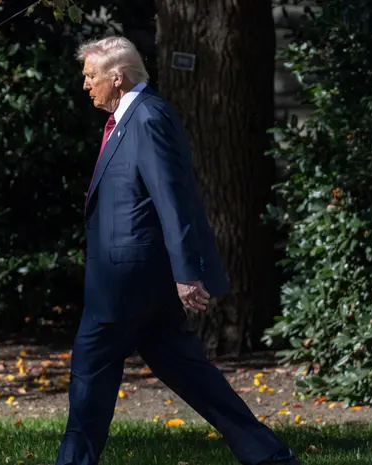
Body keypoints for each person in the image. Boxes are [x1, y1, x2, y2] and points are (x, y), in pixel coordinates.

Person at [52, 36, 301, 465]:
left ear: (117, 77)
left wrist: (186, 273)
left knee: (88, 380)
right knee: (195, 378)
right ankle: (271, 457)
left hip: (125, 284)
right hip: (141, 282)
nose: (85, 85)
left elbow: (173, 197)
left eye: (90, 76)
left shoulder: (147, 117)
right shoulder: (131, 117)